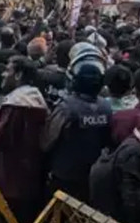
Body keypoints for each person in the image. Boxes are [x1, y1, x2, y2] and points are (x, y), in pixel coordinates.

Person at [0, 56, 49, 223]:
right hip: (31, 179)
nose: (3, 75)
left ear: (18, 75)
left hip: (11, 181)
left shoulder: (16, 104)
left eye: (9, 71)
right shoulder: (36, 99)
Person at [44, 49, 112, 203]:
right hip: (91, 175)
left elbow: (46, 141)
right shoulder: (106, 108)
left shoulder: (66, 108)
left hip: (64, 176)